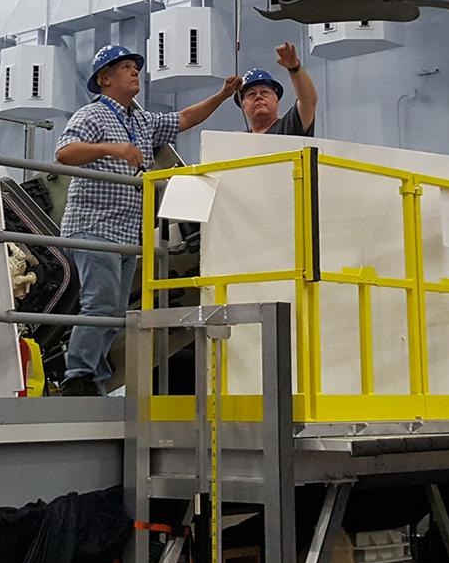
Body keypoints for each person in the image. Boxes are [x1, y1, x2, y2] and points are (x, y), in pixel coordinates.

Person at [54, 44, 240, 396]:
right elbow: (65, 153)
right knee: (100, 304)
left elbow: (184, 119)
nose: (134, 71)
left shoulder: (141, 120)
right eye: (125, 67)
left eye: (134, 66)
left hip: (126, 232)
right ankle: (77, 377)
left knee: (113, 309)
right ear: (104, 79)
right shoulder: (90, 116)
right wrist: (113, 149)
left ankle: (94, 377)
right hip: (94, 226)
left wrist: (222, 95)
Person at [236, 42, 317, 136]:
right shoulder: (240, 142)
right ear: (243, 106)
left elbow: (308, 102)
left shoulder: (288, 127)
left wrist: (294, 68)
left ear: (276, 99)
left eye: (264, 92)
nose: (258, 97)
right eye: (251, 94)